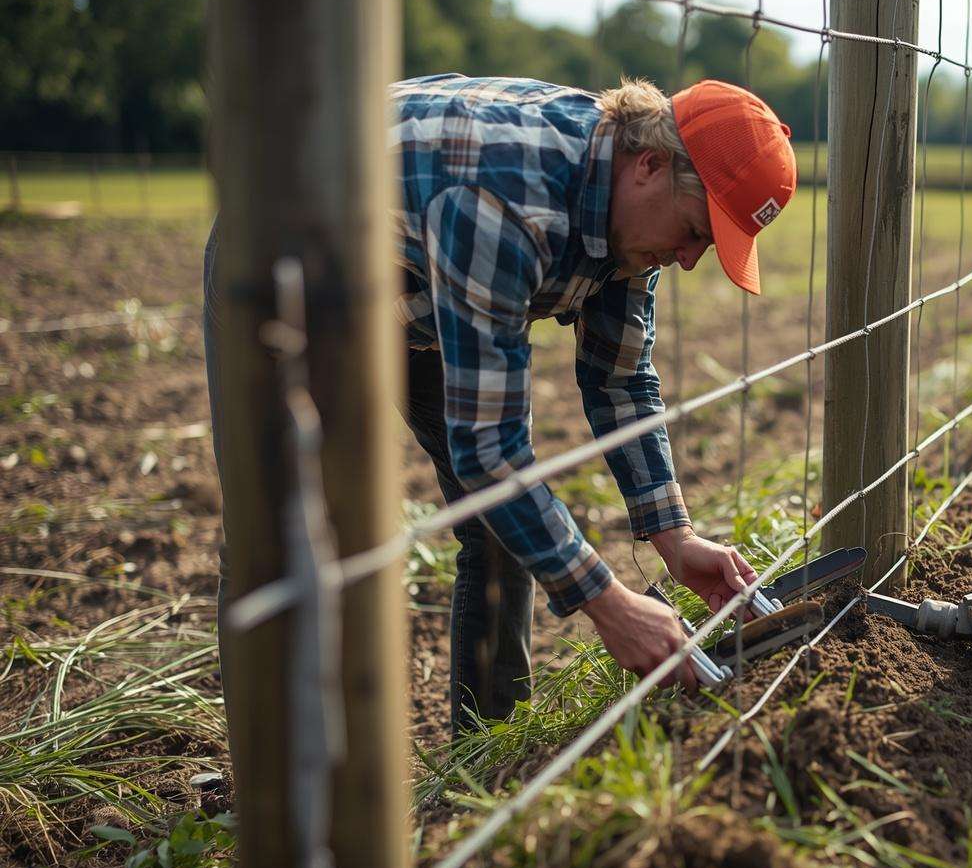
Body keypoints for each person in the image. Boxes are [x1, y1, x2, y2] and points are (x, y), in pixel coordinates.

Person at [203, 74, 797, 733]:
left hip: (419, 292)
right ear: (650, 164)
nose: (687, 260)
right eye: (694, 230)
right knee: (272, 539)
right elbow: (489, 451)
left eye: (706, 247)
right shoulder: (508, 198)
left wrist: (676, 541)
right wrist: (610, 604)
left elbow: (621, 382)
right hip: (285, 260)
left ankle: (485, 758)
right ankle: (265, 796)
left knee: (503, 529)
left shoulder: (632, 228)